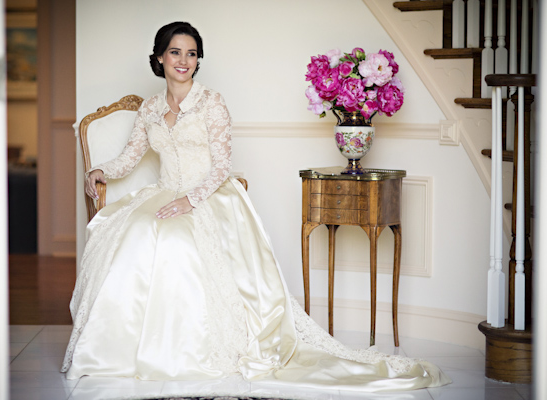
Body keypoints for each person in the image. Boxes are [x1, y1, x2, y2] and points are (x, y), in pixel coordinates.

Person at [61, 21, 450, 392]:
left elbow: (221, 167)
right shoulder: (148, 109)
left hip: (209, 195)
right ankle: (127, 351)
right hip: (164, 191)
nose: (184, 60)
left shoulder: (212, 103)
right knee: (134, 234)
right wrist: (100, 170)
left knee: (177, 243)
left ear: (198, 60)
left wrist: (189, 200)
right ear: (160, 57)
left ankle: (189, 350)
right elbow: (129, 158)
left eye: (192, 53)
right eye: (175, 52)